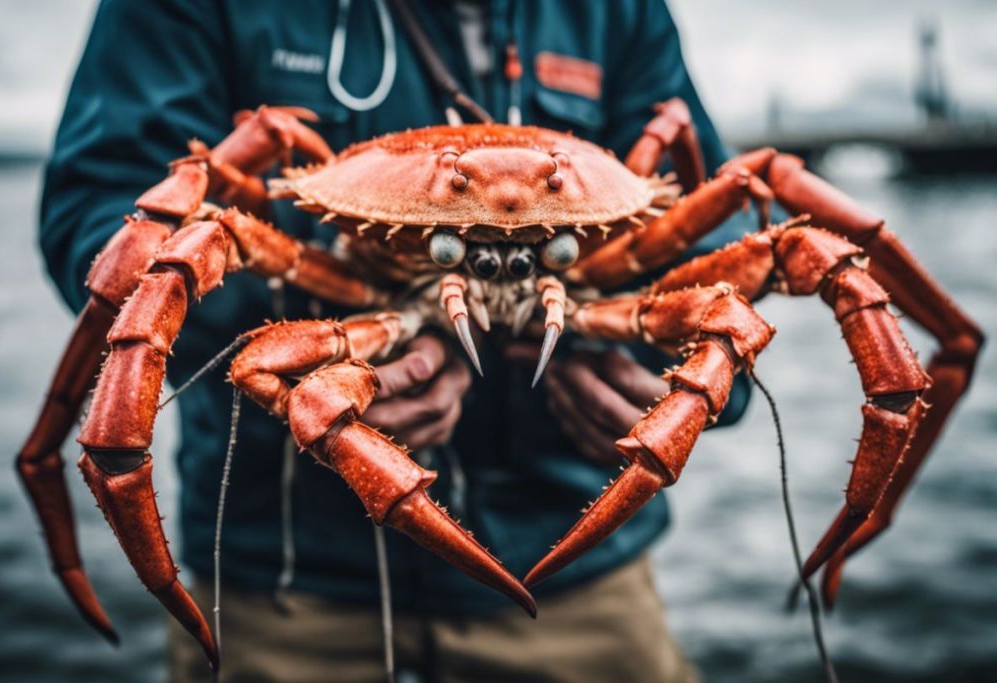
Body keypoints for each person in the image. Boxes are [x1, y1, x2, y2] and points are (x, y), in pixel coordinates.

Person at [40, 1, 754, 681]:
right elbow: (106, 215)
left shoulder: (617, 7)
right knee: (187, 243)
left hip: (575, 569)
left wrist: (678, 380)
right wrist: (303, 370)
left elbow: (718, 218)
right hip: (283, 584)